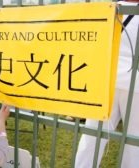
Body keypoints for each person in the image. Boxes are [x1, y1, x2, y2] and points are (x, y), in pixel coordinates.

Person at [75, 0, 139, 167]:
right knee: (133, 141)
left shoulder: (108, 8)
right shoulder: (111, 8)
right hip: (134, 84)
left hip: (106, 79)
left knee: (93, 136)